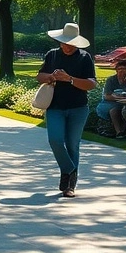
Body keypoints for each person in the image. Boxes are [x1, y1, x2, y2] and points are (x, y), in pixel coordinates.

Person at [36, 22, 97, 198]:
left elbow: (91, 84)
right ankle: (69, 169)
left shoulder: (84, 57)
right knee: (55, 140)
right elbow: (40, 76)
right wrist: (51, 76)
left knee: (72, 144)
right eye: (64, 42)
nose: (67, 47)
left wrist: (69, 79)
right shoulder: (52, 55)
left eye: (70, 44)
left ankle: (70, 185)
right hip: (55, 106)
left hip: (78, 107)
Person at [95, 61, 126, 138]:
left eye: (124, 69)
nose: (122, 71)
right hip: (109, 103)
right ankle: (119, 132)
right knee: (114, 110)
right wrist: (119, 98)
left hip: (125, 103)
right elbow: (106, 96)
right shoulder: (111, 80)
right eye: (120, 69)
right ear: (116, 70)